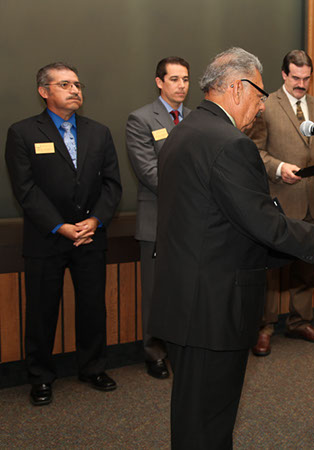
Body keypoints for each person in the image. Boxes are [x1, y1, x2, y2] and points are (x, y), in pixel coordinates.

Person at [148, 47, 314, 449]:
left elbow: (217, 220)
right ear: (238, 88)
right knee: (211, 421)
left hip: (184, 300)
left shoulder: (184, 133)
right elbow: (262, 223)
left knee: (191, 415)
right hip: (214, 307)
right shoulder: (230, 143)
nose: (260, 109)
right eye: (259, 96)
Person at [5, 62, 122, 406]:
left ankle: (93, 368)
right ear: (44, 92)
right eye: (65, 85)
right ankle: (41, 377)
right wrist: (60, 225)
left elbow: (113, 184)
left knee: (92, 308)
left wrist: (97, 220)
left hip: (90, 236)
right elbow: (25, 189)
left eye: (77, 85)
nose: (75, 90)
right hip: (47, 237)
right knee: (42, 311)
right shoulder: (23, 132)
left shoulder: (99, 132)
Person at [247, 49, 314, 356]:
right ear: (284, 75)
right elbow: (255, 153)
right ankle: (265, 327)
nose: (301, 84)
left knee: (306, 267)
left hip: (311, 204)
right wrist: (278, 168)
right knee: (272, 272)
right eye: (296, 78)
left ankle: (300, 321)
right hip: (277, 200)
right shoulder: (266, 106)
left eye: (306, 79)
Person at [125, 56, 191, 379]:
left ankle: (181, 348)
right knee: (154, 292)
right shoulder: (140, 120)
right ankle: (154, 353)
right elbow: (150, 172)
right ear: (159, 82)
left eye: (186, 79)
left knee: (185, 289)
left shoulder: (194, 119)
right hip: (156, 222)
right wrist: (197, 190)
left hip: (193, 224)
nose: (181, 85)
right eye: (175, 79)